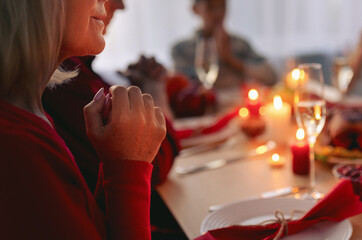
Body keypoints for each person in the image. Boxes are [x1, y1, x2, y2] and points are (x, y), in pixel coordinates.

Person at [0, 0, 166, 239]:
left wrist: (117, 164)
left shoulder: (32, 118)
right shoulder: (14, 146)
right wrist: (128, 167)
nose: (107, 1)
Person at [42, 0, 185, 238]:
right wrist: (155, 93)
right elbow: (153, 161)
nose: (119, 5)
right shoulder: (63, 79)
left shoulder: (66, 76)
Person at [171, 0, 277, 89]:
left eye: (222, 6)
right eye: (211, 7)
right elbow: (181, 88)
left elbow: (271, 77)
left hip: (238, 108)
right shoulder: (182, 50)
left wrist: (230, 59)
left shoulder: (240, 45)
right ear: (195, 9)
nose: (218, 14)